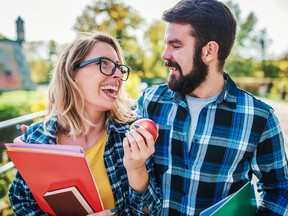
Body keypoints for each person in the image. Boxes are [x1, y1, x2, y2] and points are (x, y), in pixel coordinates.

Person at [137, 0, 288, 215]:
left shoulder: (259, 118)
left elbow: (280, 190)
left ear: (209, 51)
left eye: (176, 45)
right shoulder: (149, 102)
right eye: (166, 44)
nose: (165, 55)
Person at [8, 32, 162, 215]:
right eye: (105, 64)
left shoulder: (129, 135)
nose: (119, 75)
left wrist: (136, 168)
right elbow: (21, 202)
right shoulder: (37, 137)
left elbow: (150, 212)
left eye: (120, 68)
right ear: (72, 72)